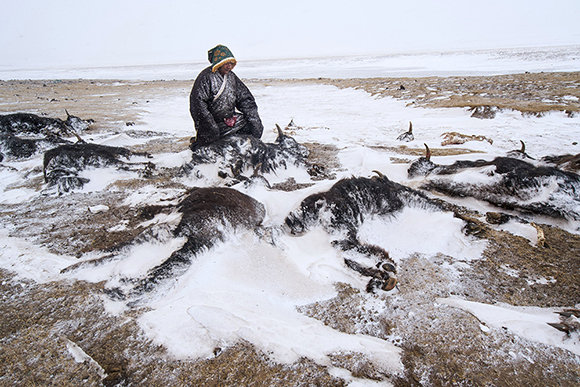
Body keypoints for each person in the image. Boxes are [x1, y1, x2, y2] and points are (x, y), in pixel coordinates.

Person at [189, 45, 263, 147]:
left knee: (251, 126)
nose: (229, 66)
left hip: (229, 121)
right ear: (219, 63)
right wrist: (210, 126)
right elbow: (198, 106)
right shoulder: (205, 77)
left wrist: (254, 119)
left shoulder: (231, 77)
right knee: (210, 144)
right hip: (212, 124)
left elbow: (245, 99)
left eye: (231, 64)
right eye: (226, 64)